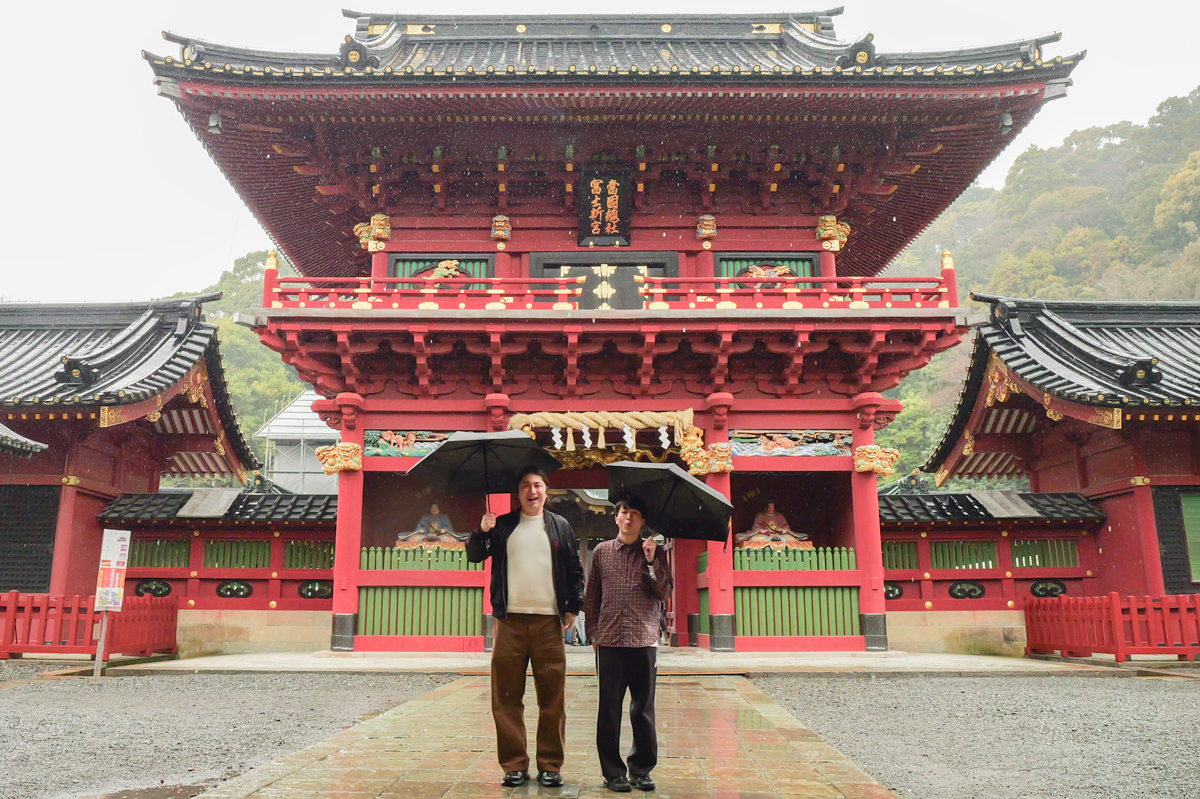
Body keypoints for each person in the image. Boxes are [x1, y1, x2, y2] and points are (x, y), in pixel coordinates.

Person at [466, 466, 585, 789]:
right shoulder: (502, 525)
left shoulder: (560, 527)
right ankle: (514, 765)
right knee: (506, 697)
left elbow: (575, 569)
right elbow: (475, 555)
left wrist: (574, 606)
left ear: (546, 491)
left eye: (537, 485)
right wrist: (481, 530)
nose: (532, 491)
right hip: (509, 623)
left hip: (549, 624)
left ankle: (550, 764)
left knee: (552, 698)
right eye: (524, 487)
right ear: (517, 494)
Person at [583, 496, 673, 793]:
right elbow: (592, 595)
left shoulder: (655, 552)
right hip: (609, 640)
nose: (629, 518)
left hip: (643, 640)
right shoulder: (601, 552)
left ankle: (641, 769)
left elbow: (663, 592)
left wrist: (650, 561)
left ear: (642, 520)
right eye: (624, 513)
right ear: (616, 517)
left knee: (643, 709)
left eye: (635, 513)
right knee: (608, 709)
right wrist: (593, 633)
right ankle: (612, 772)